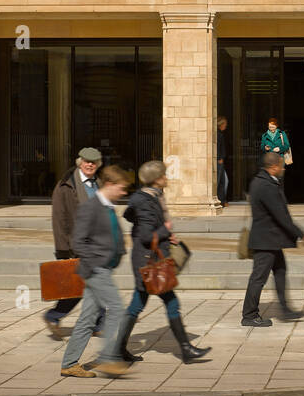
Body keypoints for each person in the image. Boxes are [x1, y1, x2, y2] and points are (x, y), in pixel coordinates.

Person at [115, 160, 210, 365]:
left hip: (149, 259)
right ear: (156, 179)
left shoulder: (151, 197)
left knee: (136, 305)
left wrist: (167, 235)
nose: (166, 178)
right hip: (149, 262)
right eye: (164, 175)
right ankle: (186, 350)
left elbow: (140, 224)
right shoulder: (145, 201)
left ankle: (118, 350)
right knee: (170, 302)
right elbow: (148, 236)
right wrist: (165, 229)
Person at [60, 164, 134, 379]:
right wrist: (95, 266)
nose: (123, 193)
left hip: (104, 268)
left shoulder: (107, 206)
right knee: (117, 308)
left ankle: (69, 364)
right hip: (96, 269)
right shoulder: (90, 207)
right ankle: (109, 358)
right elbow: (78, 241)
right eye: (121, 188)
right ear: (109, 184)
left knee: (87, 318)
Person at [241, 151, 304, 327]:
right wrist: (300, 233)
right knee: (258, 277)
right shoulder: (266, 186)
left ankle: (285, 310)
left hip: (270, 239)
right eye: (281, 165)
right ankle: (249, 315)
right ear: (273, 167)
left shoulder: (262, 181)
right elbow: (280, 215)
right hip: (266, 240)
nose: (283, 168)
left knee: (280, 271)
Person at [44, 147, 105, 340]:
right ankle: (56, 316)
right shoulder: (66, 186)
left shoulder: (98, 183)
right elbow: (59, 219)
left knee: (91, 284)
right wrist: (62, 249)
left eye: (94, 162)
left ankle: (58, 317)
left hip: (95, 245)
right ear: (80, 162)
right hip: (76, 245)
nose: (90, 165)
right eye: (87, 161)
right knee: (86, 285)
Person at [216, 116, 229, 206]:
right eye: (225, 124)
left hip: (220, 160)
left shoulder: (220, 134)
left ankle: (222, 200)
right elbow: (217, 147)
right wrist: (219, 158)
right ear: (221, 124)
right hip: (219, 161)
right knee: (219, 181)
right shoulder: (218, 134)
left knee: (223, 181)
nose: (226, 126)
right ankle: (221, 200)